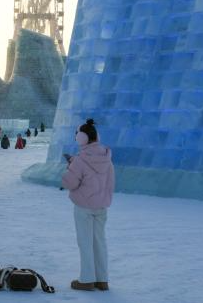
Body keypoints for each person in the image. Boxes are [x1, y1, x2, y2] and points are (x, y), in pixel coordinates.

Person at [61, 118, 114, 292]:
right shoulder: (107, 157)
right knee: (99, 241)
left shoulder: (81, 159)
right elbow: (110, 182)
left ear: (81, 138)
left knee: (85, 242)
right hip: (101, 206)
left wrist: (70, 167)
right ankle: (102, 279)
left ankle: (87, 279)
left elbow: (70, 183)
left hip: (83, 206)